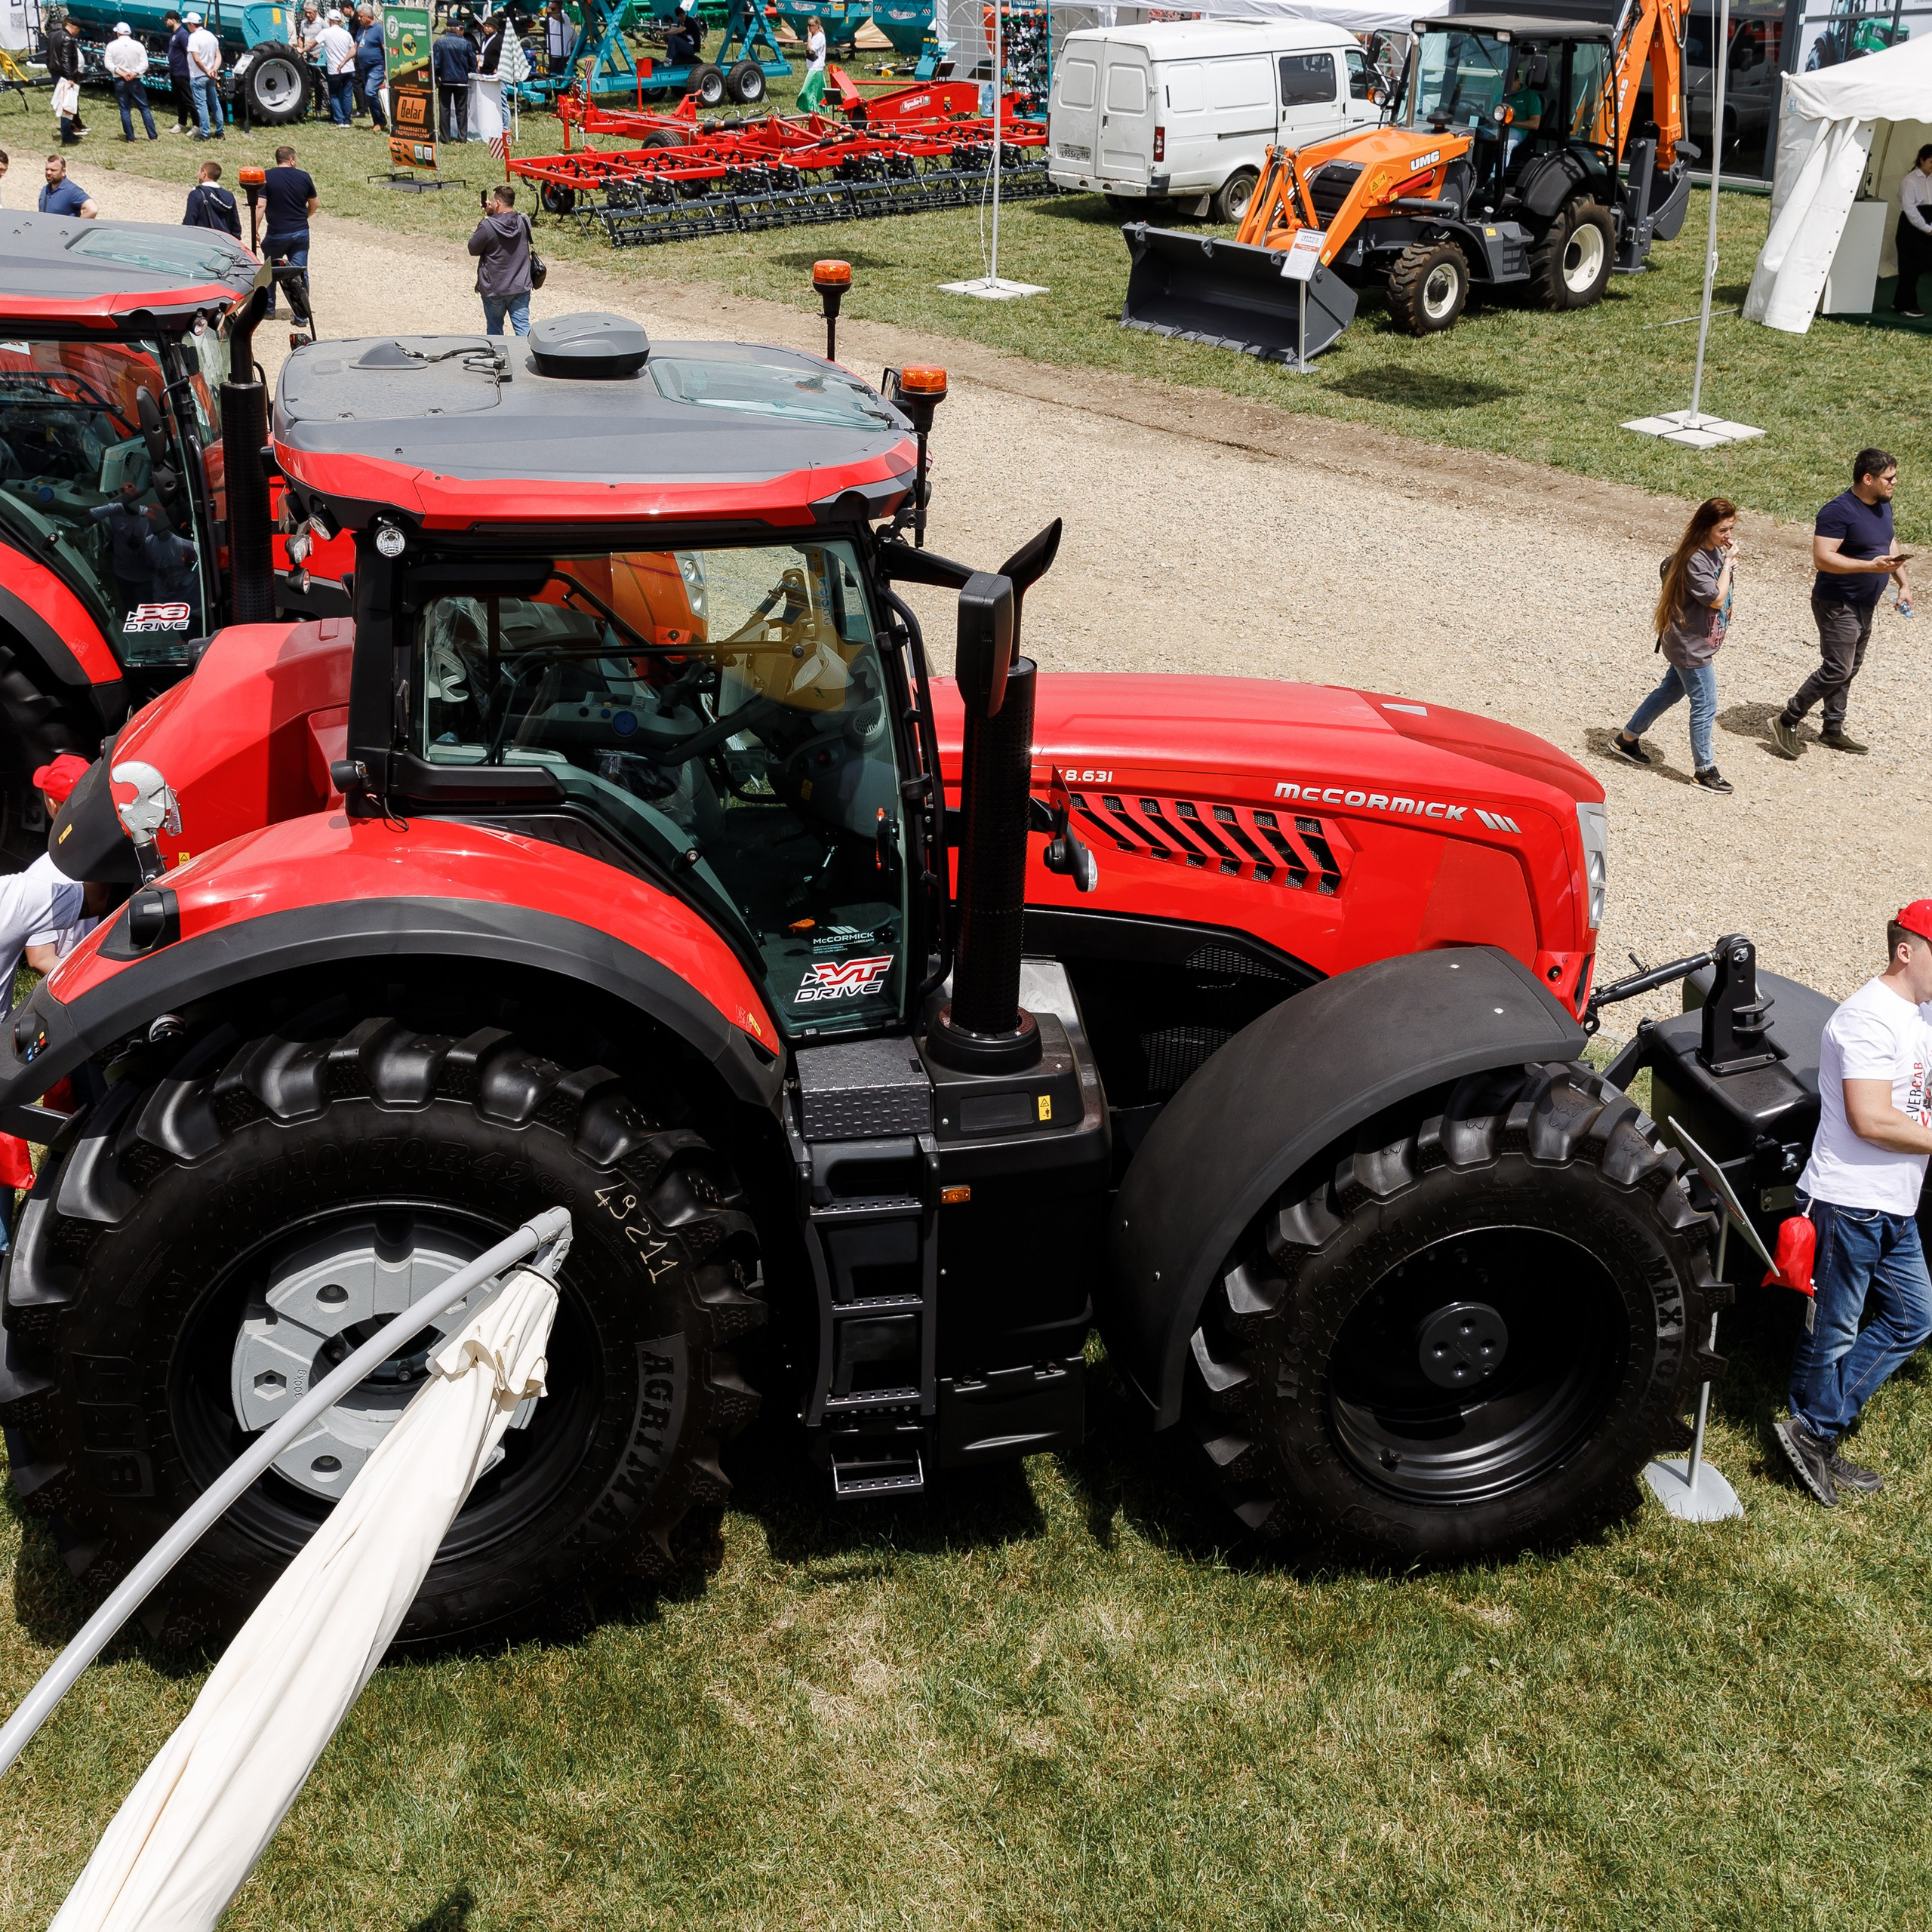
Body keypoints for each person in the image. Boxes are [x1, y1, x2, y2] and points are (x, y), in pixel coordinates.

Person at [1775, 903, 1932, 1508]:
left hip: (1895, 1205)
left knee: (1912, 1319)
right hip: (1848, 1203)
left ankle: (1814, 1428)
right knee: (1834, 1332)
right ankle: (1814, 1432)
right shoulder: (1868, 1018)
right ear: (1906, 951)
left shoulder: (1918, 1014)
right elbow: (1870, 1119)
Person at [1771, 449, 1911, 758]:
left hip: (1865, 602)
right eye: (1889, 478)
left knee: (1851, 668)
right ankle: (1787, 719)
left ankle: (1832, 729)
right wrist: (1869, 567)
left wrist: (1903, 583)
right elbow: (1823, 559)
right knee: (1837, 668)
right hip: (1837, 602)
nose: (1895, 482)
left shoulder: (1882, 505)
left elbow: (1889, 542)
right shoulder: (1838, 511)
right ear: (1867, 478)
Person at [1610, 496, 1740, 793]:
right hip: (1690, 648)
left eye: (1731, 529)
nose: (1728, 536)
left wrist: (1726, 561)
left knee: (1669, 691)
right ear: (1705, 528)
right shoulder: (1696, 559)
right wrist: (1729, 565)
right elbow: (1717, 598)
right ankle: (1704, 771)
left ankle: (1626, 741)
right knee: (1705, 705)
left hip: (1692, 642)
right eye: (1723, 530)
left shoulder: (1714, 552)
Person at [468, 181, 533, 336]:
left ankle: (498, 358)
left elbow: (473, 249)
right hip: (520, 286)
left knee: (495, 330)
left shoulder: (487, 226)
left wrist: (489, 215)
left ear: (497, 203)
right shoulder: (524, 220)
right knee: (523, 327)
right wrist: (493, 214)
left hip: (495, 288)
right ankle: (530, 358)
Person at [260, 144, 317, 318]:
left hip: (276, 233)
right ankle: (302, 315)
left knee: (268, 271)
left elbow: (261, 206)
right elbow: (314, 204)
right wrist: (304, 217)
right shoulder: (304, 177)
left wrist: (255, 230)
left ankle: (268, 309)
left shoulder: (266, 177)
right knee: (299, 272)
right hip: (300, 232)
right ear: (292, 160)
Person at [89, 479, 161, 608]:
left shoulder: (148, 515)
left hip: (144, 577)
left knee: (142, 610)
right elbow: (86, 517)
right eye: (124, 492)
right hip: (121, 573)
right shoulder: (114, 510)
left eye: (131, 490)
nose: (127, 494)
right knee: (128, 607)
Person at [1894, 142, 1932, 318]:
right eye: (1931, 162)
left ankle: (1899, 300)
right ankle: (1906, 304)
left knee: (1918, 267)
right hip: (1911, 229)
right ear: (1921, 160)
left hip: (1927, 225)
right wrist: (1926, 228)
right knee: (1909, 266)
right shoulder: (1909, 181)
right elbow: (1910, 209)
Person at [103, 23, 159, 143]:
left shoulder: (111, 46)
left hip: (120, 80)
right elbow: (144, 64)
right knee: (144, 108)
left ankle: (130, 138)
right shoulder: (138, 45)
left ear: (118, 33)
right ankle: (153, 136)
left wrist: (121, 73)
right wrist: (134, 73)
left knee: (125, 109)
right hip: (135, 80)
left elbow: (108, 64)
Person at [434, 14, 475, 140]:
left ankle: (445, 137)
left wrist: (437, 76)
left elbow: (436, 63)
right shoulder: (466, 44)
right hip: (461, 80)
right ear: (457, 29)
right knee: (462, 110)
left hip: (445, 81)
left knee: (444, 109)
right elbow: (472, 63)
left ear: (447, 28)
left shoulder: (439, 43)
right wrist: (467, 71)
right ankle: (462, 137)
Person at [45, 14, 85, 146]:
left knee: (64, 104)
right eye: (78, 30)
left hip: (55, 73)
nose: (77, 33)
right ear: (74, 27)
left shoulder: (53, 35)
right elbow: (66, 59)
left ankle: (68, 132)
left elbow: (48, 55)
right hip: (65, 76)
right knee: (67, 106)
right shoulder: (68, 39)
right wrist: (70, 77)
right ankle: (67, 136)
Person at [186, 10, 225, 139]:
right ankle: (220, 131)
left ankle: (205, 133)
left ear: (192, 25)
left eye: (188, 24)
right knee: (215, 103)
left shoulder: (193, 38)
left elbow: (196, 59)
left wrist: (206, 71)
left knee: (201, 105)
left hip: (198, 75)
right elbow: (218, 56)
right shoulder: (211, 36)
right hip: (211, 76)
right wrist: (213, 70)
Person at [182, 156, 240, 233]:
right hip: (224, 241)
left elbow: (189, 222)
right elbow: (236, 227)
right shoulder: (229, 196)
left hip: (204, 239)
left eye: (199, 171)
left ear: (204, 173)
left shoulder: (197, 194)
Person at [319, 8, 357, 125]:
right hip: (349, 68)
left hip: (335, 70)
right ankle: (347, 120)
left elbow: (313, 44)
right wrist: (345, 61)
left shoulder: (325, 33)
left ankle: (339, 120)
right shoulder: (346, 34)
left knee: (334, 95)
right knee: (347, 95)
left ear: (330, 20)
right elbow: (353, 49)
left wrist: (302, 50)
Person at [355, 4, 389, 128]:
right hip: (364, 68)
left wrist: (386, 68)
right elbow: (355, 47)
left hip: (377, 67)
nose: (359, 18)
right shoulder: (361, 29)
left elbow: (386, 49)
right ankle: (378, 121)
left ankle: (380, 120)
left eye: (361, 16)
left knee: (370, 92)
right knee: (368, 95)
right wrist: (344, 62)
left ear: (369, 17)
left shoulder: (378, 29)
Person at [38, 152, 98, 217]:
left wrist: (77, 225)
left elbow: (92, 209)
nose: (48, 173)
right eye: (47, 169)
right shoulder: (45, 190)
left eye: (53, 170)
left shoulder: (71, 190)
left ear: (63, 171)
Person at [165, 11, 196, 132]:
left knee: (188, 99)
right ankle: (182, 123)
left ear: (173, 20)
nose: (165, 22)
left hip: (183, 73)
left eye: (166, 20)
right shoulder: (175, 35)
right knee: (179, 99)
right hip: (175, 72)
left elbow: (188, 52)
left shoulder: (183, 35)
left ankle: (196, 125)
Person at [797, 14, 826, 110]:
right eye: (808, 25)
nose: (809, 28)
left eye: (811, 25)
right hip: (811, 66)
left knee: (808, 90)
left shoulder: (820, 37)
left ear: (817, 26)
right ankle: (812, 109)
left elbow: (811, 50)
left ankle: (814, 109)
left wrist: (809, 37)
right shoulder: (815, 36)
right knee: (810, 91)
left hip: (816, 68)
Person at [544, 0, 574, 75]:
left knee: (557, 73)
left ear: (560, 8)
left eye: (553, 9)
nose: (551, 11)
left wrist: (550, 13)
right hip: (552, 52)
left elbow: (558, 17)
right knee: (553, 72)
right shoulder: (551, 18)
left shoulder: (564, 16)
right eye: (551, 8)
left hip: (561, 53)